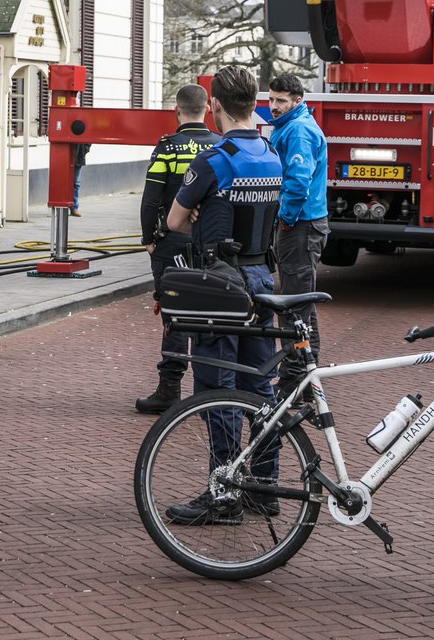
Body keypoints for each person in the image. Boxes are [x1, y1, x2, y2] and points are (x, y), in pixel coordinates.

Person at [163, 65, 284, 525]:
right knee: (260, 386)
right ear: (254, 104)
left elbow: (175, 221)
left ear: (213, 106)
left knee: (218, 389)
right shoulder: (271, 154)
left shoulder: (215, 159)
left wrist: (199, 215)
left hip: (220, 286)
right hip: (260, 279)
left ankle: (224, 492)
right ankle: (264, 485)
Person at [135, 84, 220, 414]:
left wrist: (149, 239)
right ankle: (209, 389)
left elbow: (151, 198)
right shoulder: (218, 146)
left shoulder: (168, 148)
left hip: (171, 244)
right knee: (211, 315)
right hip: (209, 242)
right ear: (207, 110)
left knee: (173, 314)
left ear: (177, 110)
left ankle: (169, 389)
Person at [266, 73, 330, 381]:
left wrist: (285, 219)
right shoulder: (293, 126)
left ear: (297, 101)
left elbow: (297, 183)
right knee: (302, 301)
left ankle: (294, 379)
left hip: (300, 227)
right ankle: (305, 374)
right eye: (271, 99)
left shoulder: (298, 131)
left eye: (280, 101)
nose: (273, 106)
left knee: (294, 307)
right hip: (305, 225)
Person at [71, 141, 91, 216]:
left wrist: (85, 150)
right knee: (63, 181)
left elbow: (89, 138)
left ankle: (74, 207)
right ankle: (61, 206)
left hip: (78, 155)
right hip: (65, 154)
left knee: (76, 183)